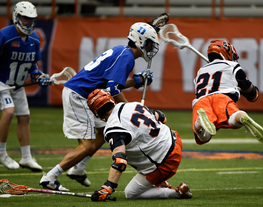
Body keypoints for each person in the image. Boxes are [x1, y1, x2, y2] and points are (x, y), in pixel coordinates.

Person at [39, 22, 159, 191]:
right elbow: (112, 89)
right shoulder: (126, 57)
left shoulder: (122, 52)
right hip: (79, 95)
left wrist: (137, 80)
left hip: (85, 94)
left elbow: (112, 83)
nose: (151, 48)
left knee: (105, 130)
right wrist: (129, 109)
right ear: (140, 41)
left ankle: (78, 168)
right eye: (149, 43)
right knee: (86, 146)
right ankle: (50, 177)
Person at [87, 89, 192, 201]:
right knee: (137, 152)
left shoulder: (113, 127)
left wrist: (108, 186)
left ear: (96, 112)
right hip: (174, 139)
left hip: (166, 160)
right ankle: (161, 183)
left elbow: (120, 161)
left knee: (131, 193)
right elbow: (161, 116)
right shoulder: (132, 105)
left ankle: (176, 193)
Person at [0, 1, 51, 171]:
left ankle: (26, 157)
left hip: (18, 85)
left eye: (31, 19)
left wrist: (38, 76)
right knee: (9, 113)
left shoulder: (34, 38)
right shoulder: (5, 35)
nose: (28, 22)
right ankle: (1, 153)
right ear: (16, 16)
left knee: (24, 117)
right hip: (2, 83)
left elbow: (32, 64)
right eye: (25, 18)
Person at [191, 40, 263, 145]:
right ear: (226, 52)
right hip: (223, 98)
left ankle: (199, 123)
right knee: (232, 118)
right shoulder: (232, 66)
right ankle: (242, 117)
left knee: (203, 138)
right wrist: (252, 90)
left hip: (202, 101)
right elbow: (251, 93)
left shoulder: (200, 71)